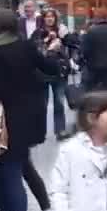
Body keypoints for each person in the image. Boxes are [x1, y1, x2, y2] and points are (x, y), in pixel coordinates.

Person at [0, 10, 62, 211]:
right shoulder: (26, 46)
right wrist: (51, 52)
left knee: (10, 172)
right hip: (32, 115)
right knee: (17, 166)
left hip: (8, 119)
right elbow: (51, 68)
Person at [35, 8, 72, 136]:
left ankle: (60, 130)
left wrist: (64, 37)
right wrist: (46, 42)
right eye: (47, 16)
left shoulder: (61, 31)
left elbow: (73, 44)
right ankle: (39, 131)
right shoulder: (38, 32)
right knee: (41, 104)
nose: (50, 19)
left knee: (59, 102)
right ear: (43, 19)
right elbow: (33, 49)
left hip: (59, 71)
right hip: (42, 72)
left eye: (52, 16)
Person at [80, 7, 107, 94]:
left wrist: (86, 60)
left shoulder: (91, 31)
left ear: (97, 18)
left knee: (92, 91)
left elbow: (85, 50)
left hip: (93, 66)